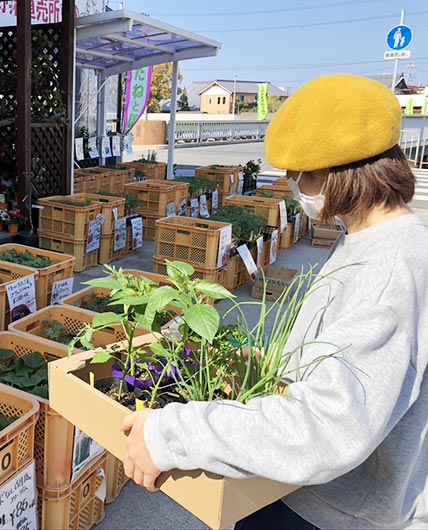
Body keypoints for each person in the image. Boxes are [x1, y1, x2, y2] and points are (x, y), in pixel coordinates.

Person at [120, 74, 428, 529]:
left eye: (297, 173)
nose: (290, 184)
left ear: (336, 172)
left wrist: (171, 434)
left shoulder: (390, 270)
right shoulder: (372, 240)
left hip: (333, 512)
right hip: (314, 495)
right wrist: (258, 362)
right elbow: (342, 360)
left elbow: (330, 424)